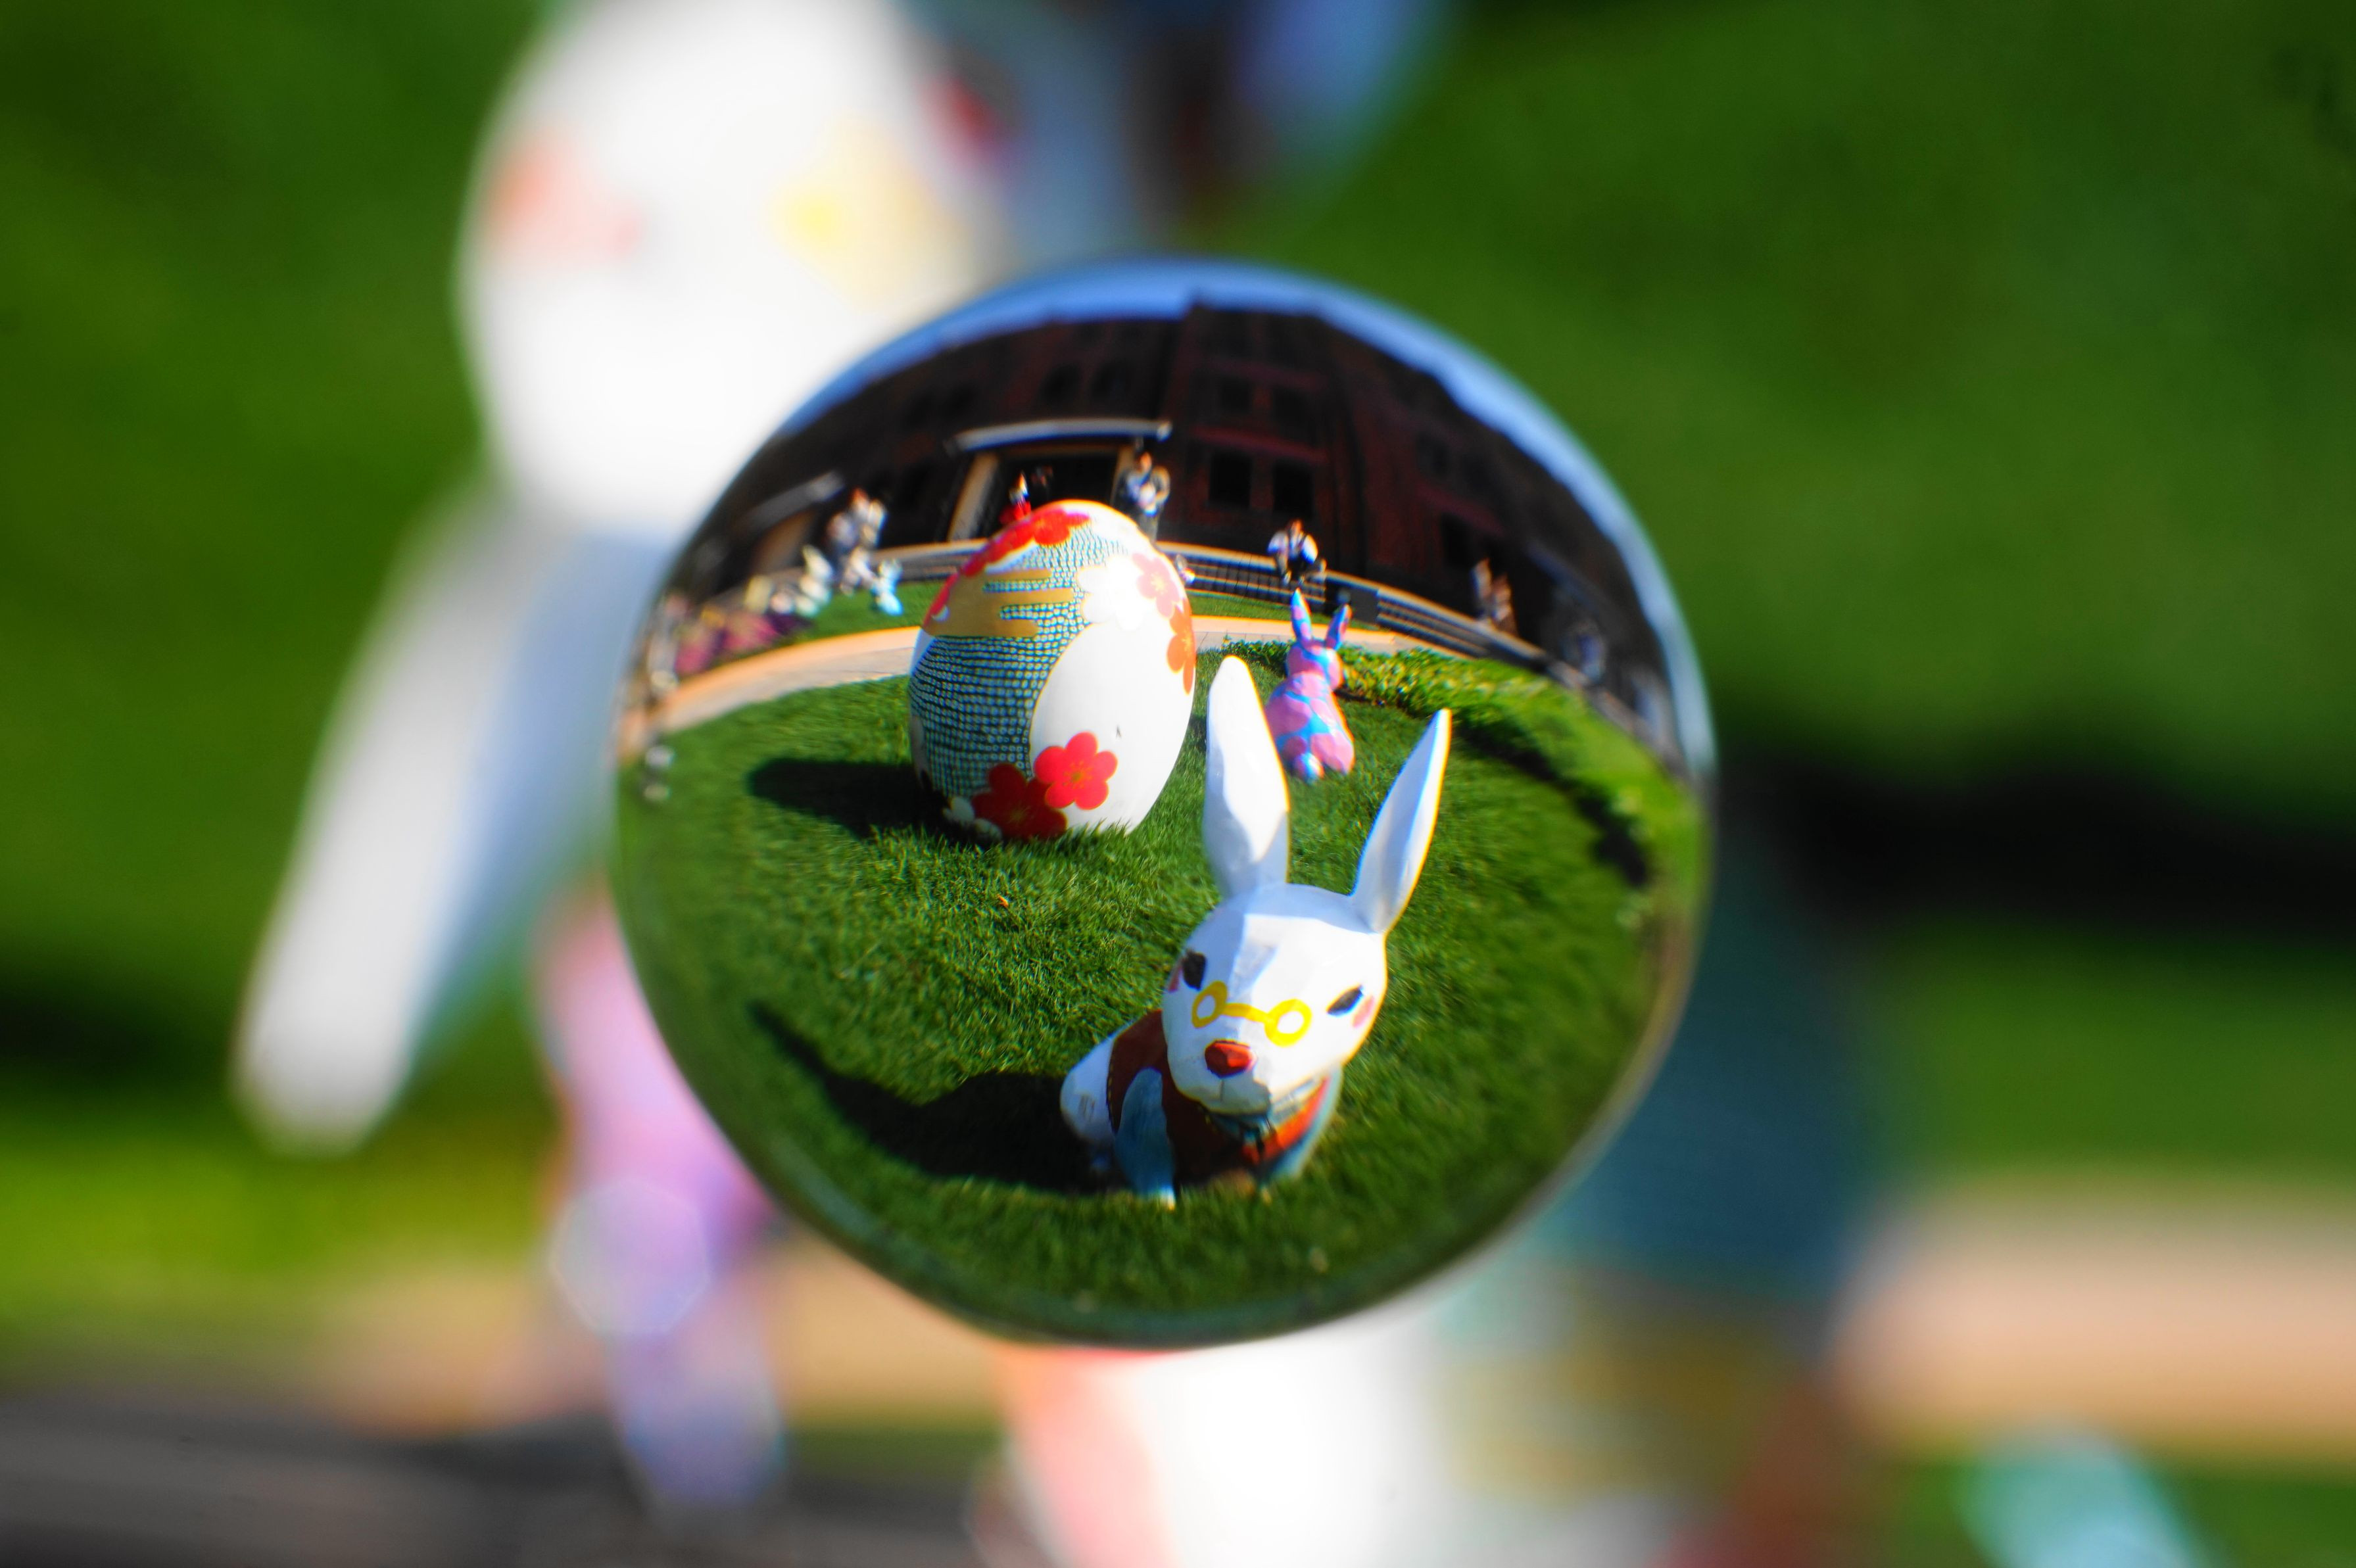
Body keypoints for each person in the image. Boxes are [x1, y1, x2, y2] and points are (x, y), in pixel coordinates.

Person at [1117, 447, 1171, 532]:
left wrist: (1153, 501)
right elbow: (1121, 495)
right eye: (1141, 459)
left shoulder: (1157, 475)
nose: (1143, 462)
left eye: (1147, 459)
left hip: (1148, 517)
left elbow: (1164, 492)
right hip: (1130, 515)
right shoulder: (1128, 476)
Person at [1266, 517, 1322, 586]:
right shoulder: (1280, 535)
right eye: (1291, 524)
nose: (1292, 527)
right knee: (1279, 557)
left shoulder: (1306, 539)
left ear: (1300, 527)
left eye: (1295, 525)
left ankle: (1302, 576)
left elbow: (1313, 558)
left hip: (1300, 566)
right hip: (1285, 564)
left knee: (1321, 564)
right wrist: (1281, 551)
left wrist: (1303, 551)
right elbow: (1270, 549)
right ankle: (1285, 575)